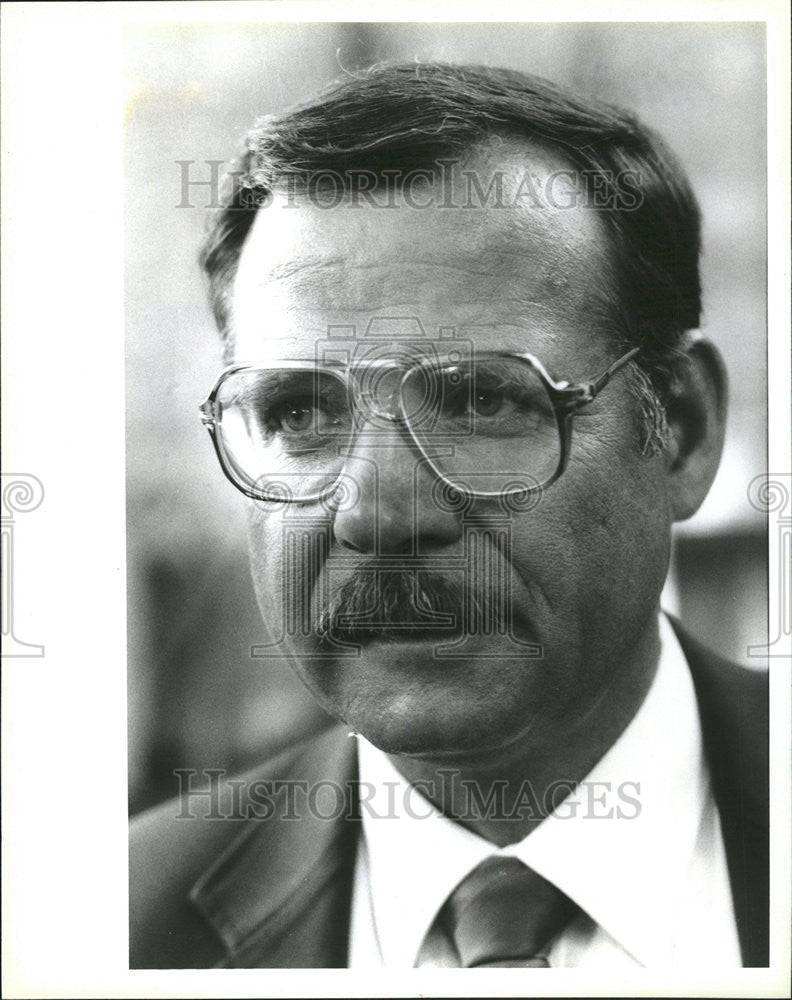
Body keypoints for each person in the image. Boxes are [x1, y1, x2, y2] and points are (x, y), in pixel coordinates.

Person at [129, 62, 768, 969]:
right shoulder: (114, 926)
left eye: (480, 403)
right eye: (299, 415)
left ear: (682, 432)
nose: (377, 513)